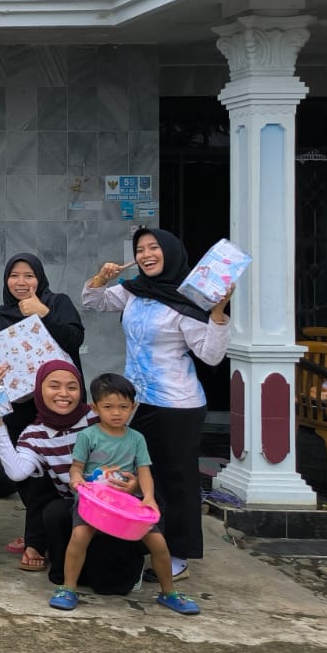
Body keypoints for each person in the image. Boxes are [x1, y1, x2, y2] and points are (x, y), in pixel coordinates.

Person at [82, 228, 231, 581]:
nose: (147, 254)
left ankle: (178, 553)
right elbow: (93, 302)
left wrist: (220, 312)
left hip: (178, 405)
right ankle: (144, 540)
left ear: (170, 253)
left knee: (175, 480)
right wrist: (100, 278)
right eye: (140, 249)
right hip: (138, 403)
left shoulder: (188, 300)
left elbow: (211, 355)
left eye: (154, 248)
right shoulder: (134, 292)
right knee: (143, 477)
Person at [49, 373, 201, 616]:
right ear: (95, 407)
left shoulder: (137, 439)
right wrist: (76, 479)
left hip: (127, 504)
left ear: (134, 407)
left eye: (123, 407)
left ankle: (169, 592)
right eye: (108, 407)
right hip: (93, 502)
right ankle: (67, 588)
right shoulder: (88, 436)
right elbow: (76, 467)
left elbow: (144, 472)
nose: (116, 413)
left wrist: (148, 497)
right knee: (79, 535)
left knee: (159, 542)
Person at [0, 251, 86, 557]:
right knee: (27, 474)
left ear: (40, 279)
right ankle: (37, 534)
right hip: (20, 406)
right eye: (14, 276)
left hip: (59, 404)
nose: (21, 282)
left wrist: (43, 313)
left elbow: (74, 339)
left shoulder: (57, 303)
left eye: (29, 275)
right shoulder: (0, 316)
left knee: (62, 468)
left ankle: (48, 538)